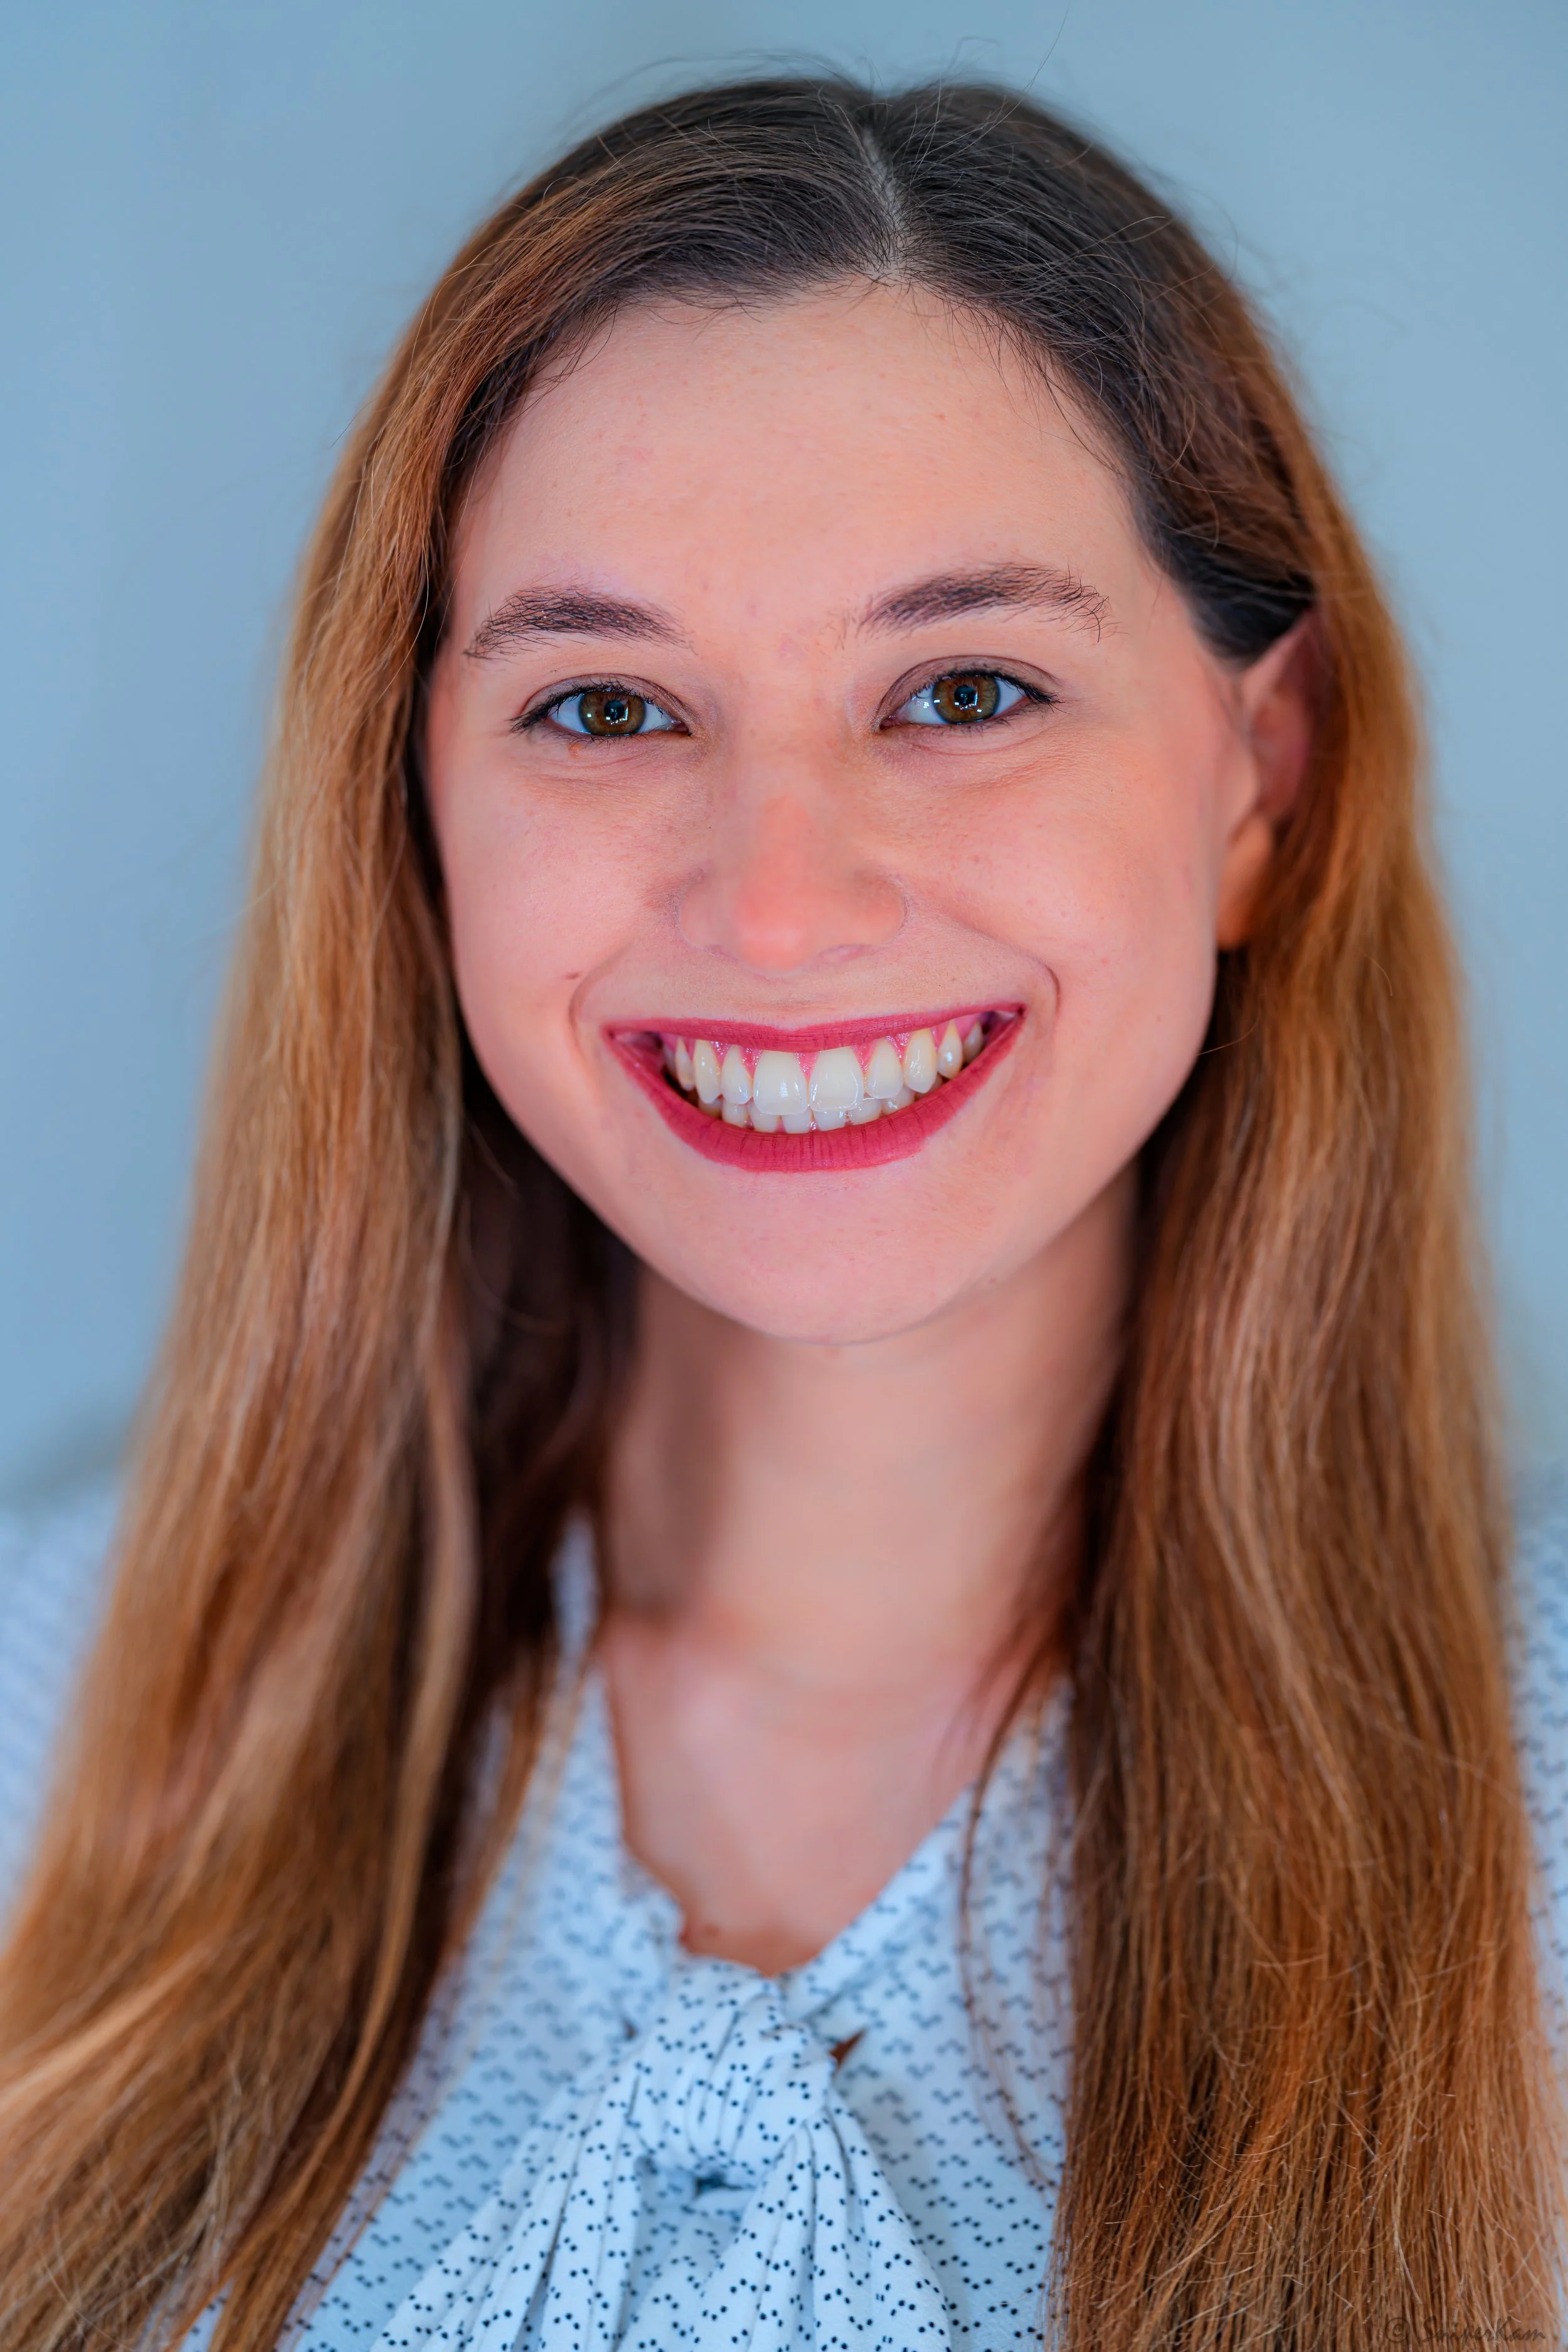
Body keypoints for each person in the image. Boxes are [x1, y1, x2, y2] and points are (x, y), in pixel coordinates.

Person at [0, 74, 1562, 2352]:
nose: (783, 905)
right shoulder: (47, 1703)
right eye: (609, 704)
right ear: (416, 806)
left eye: (963, 689)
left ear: (1257, 777)